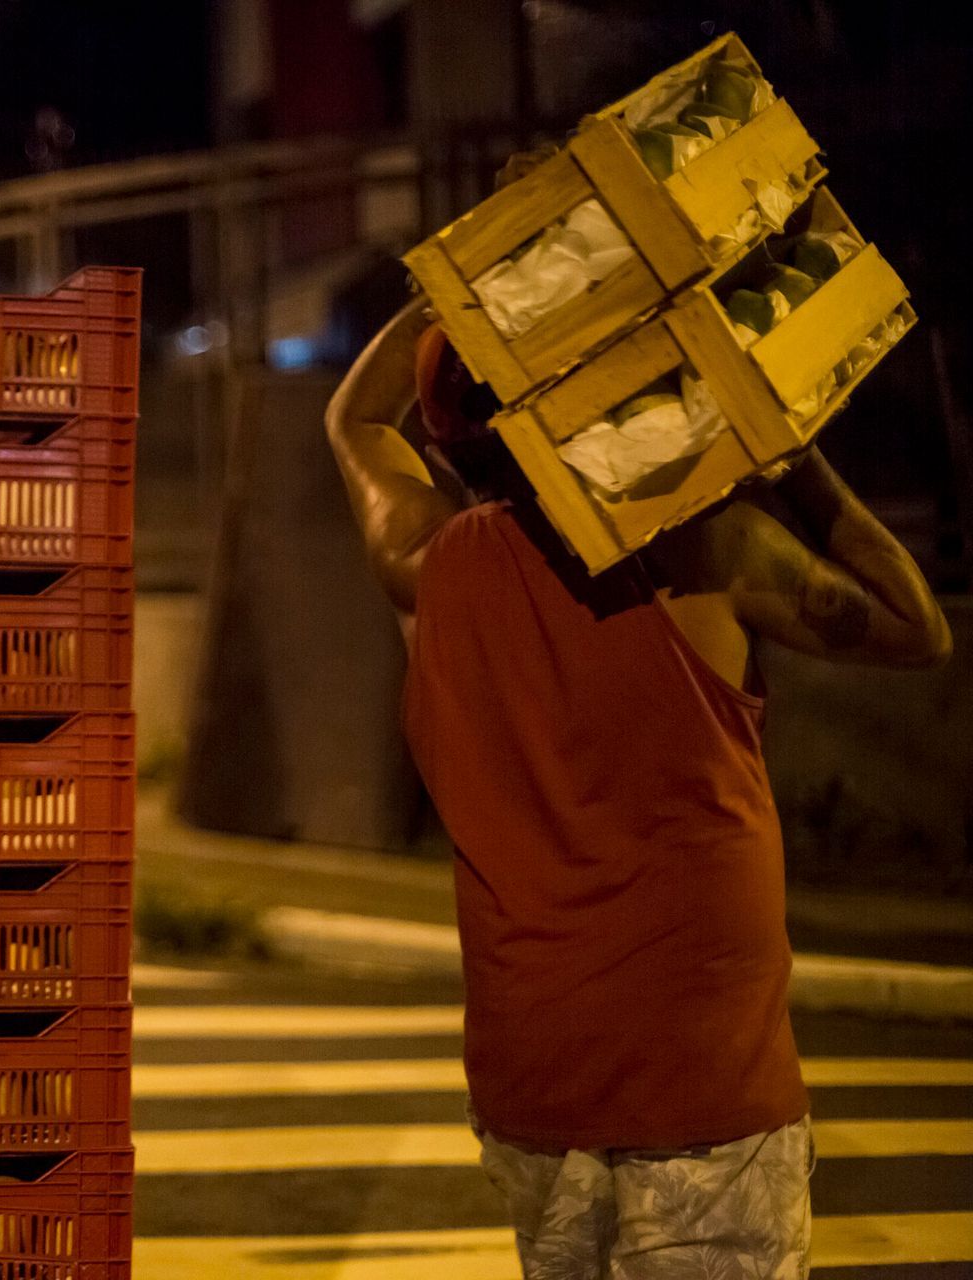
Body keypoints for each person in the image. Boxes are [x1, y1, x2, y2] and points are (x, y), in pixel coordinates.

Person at [323, 296, 952, 1278]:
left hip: (534, 1089)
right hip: (703, 1085)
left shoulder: (430, 564)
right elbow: (915, 625)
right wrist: (791, 453)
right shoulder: (714, 551)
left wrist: (463, 284)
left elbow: (356, 420)